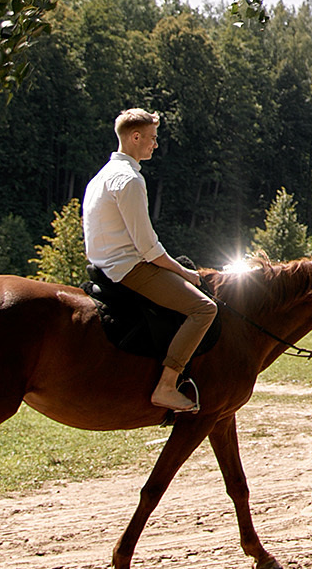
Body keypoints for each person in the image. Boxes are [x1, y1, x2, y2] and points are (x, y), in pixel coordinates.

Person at [82, 108, 217, 413]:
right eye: (152, 138)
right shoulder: (129, 180)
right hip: (128, 268)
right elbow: (148, 248)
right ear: (135, 137)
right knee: (204, 308)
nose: (155, 144)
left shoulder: (102, 176)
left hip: (105, 264)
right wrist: (184, 272)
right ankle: (166, 385)